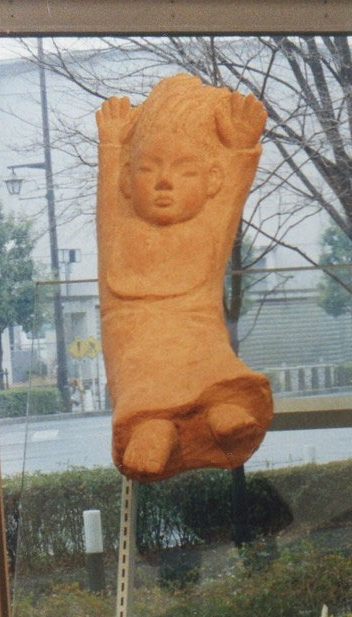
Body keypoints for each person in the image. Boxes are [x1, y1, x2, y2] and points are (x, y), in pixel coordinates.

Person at [95, 74, 273, 482]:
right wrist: (112, 145)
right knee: (139, 375)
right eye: (147, 169)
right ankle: (152, 428)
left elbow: (231, 198)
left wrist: (240, 147)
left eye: (185, 172)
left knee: (211, 360)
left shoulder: (208, 225)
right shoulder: (120, 229)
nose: (164, 182)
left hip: (196, 324)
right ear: (126, 178)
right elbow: (107, 202)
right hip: (133, 333)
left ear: (212, 181)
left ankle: (219, 411)